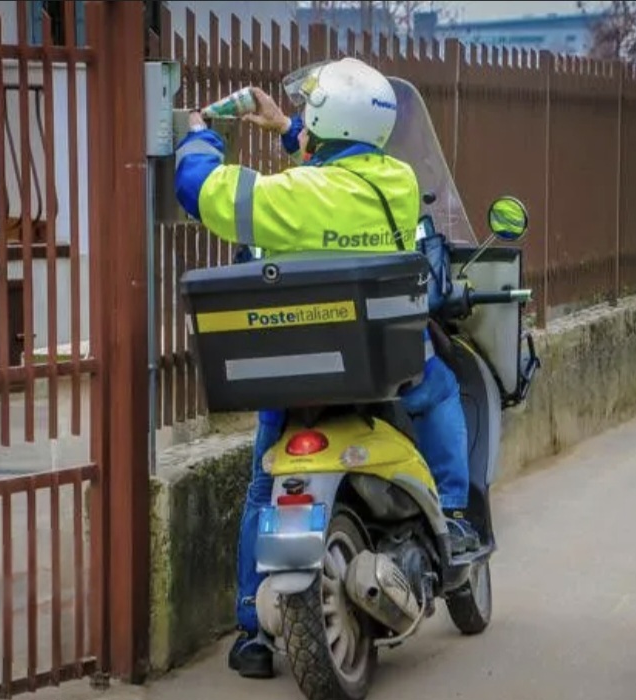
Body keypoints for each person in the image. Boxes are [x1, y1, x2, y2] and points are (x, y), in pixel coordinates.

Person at [173, 58, 479, 680]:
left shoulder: (286, 197)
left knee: (265, 483)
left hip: (297, 371)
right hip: (378, 365)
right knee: (441, 388)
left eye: (312, 114)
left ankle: (251, 631)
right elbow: (346, 159)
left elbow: (200, 189)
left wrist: (199, 133)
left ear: (324, 122)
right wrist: (288, 126)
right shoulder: (395, 181)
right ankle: (451, 512)